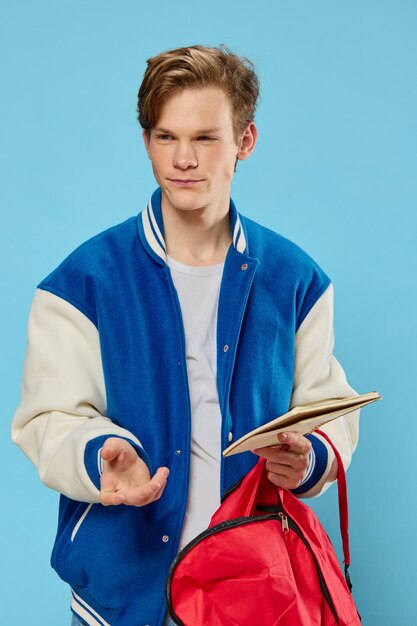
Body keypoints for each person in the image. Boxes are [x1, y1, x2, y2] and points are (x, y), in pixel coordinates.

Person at [12, 45, 359, 626]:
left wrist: (308, 458)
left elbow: (328, 408)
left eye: (205, 138)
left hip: (252, 585)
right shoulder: (82, 281)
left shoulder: (295, 278)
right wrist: (98, 454)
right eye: (166, 137)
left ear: (245, 142)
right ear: (146, 141)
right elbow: (47, 418)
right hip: (124, 592)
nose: (184, 159)